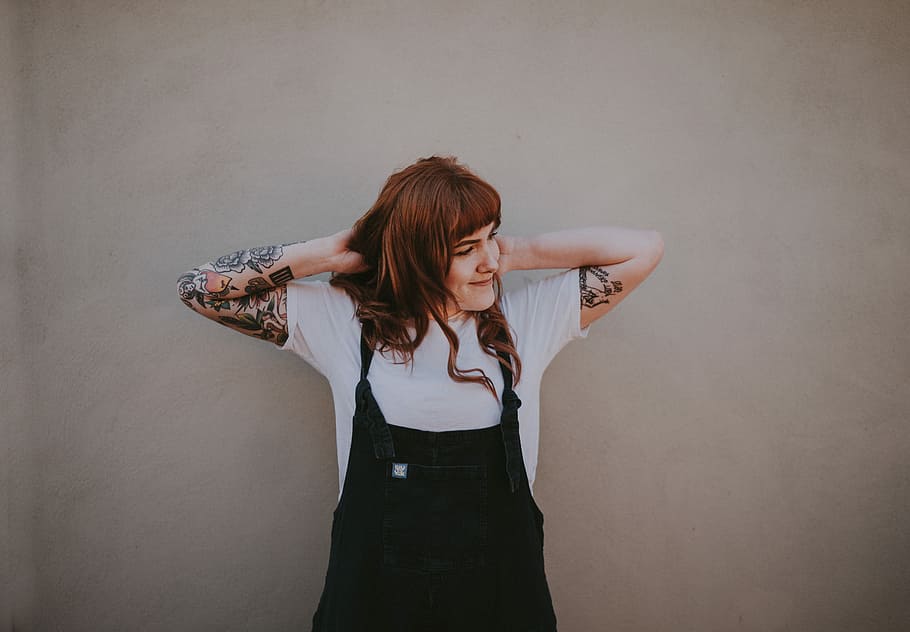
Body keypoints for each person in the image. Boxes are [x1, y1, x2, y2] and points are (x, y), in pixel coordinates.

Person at [177, 155, 664, 631]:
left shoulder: (524, 324)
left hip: (501, 605)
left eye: (490, 237)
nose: (489, 262)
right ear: (416, 256)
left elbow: (645, 248)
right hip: (371, 607)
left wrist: (516, 252)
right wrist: (328, 254)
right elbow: (200, 289)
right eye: (465, 249)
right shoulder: (346, 326)